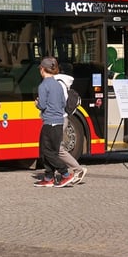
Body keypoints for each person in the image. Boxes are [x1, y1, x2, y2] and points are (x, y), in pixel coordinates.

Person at [34, 56, 74, 187]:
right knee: (53, 150)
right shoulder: (58, 84)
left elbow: (43, 105)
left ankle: (65, 174)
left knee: (46, 151)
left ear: (42, 69)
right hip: (59, 121)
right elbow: (63, 102)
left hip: (49, 122)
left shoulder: (43, 85)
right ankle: (48, 177)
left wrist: (37, 103)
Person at [55, 63, 88, 183]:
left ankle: (74, 170)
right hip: (57, 118)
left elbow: (61, 101)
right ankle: (52, 174)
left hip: (58, 118)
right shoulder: (58, 82)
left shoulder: (58, 83)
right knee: (52, 147)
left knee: (56, 148)